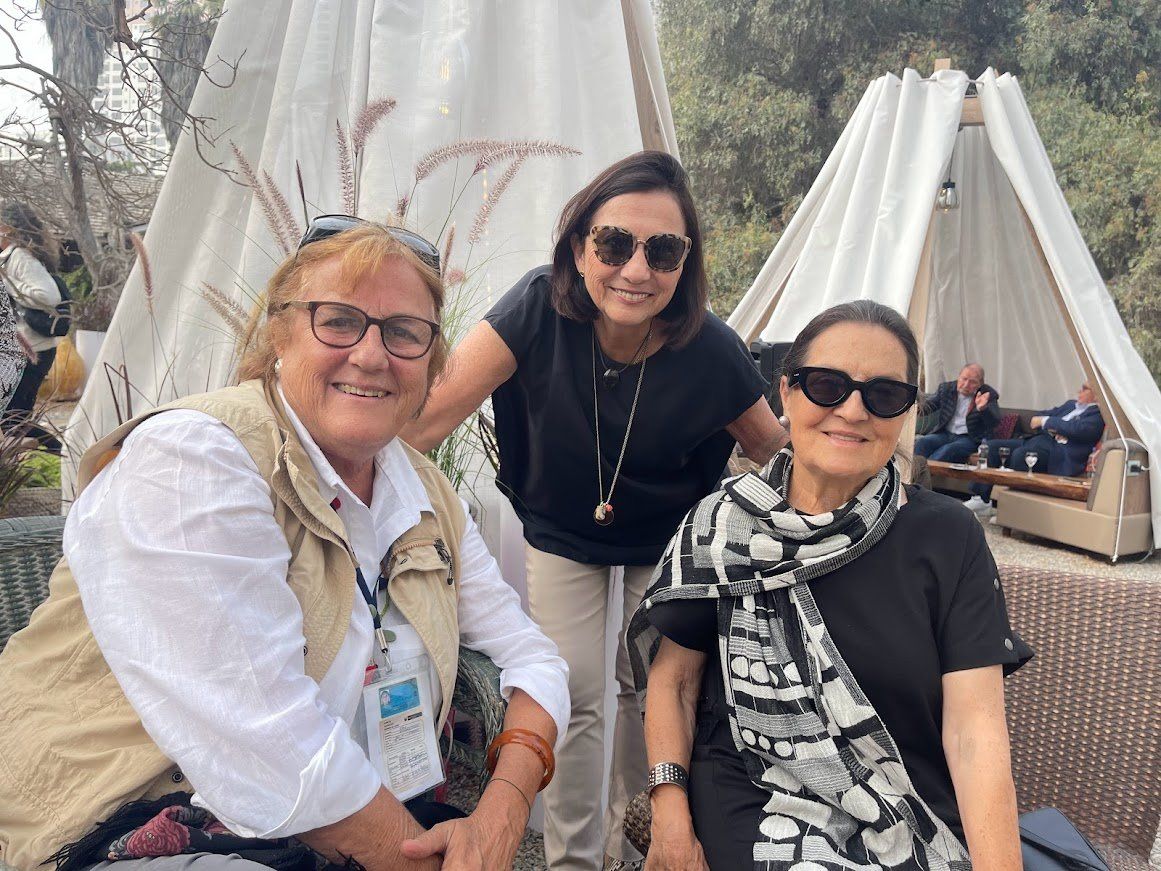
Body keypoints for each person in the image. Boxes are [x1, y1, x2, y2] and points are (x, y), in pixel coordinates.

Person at [0, 219, 570, 871]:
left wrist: (503, 806)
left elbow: (532, 655)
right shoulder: (193, 458)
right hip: (130, 822)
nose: (371, 354)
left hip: (348, 827)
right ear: (278, 333)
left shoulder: (425, 493)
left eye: (404, 331)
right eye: (338, 320)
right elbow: (267, 743)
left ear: (432, 360)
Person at [402, 151, 788, 870]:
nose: (636, 270)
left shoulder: (711, 347)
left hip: (670, 542)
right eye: (614, 244)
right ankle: (574, 859)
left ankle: (633, 835)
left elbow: (778, 455)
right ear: (579, 247)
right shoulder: (532, 309)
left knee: (655, 692)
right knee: (570, 692)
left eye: (663, 250)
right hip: (562, 531)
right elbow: (424, 423)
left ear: (685, 262)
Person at [628, 300, 1030, 871]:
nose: (853, 410)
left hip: (907, 813)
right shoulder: (724, 529)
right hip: (755, 800)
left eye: (884, 395)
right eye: (827, 385)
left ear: (908, 411)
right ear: (786, 393)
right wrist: (669, 818)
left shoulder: (947, 537)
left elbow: (975, 734)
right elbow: (674, 686)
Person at [964, 382, 1105, 513]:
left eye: (1085, 388)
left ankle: (1012, 510)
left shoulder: (1098, 414)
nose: (1079, 391)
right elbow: (1039, 416)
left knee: (1022, 455)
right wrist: (1054, 427)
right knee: (990, 447)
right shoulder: (1070, 405)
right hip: (1037, 441)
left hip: (1056, 453)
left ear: (1097, 394)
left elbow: (1078, 430)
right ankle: (981, 499)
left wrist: (1048, 422)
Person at [0, 201, 64, 450]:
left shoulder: (21, 258)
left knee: (12, 419)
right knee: (15, 418)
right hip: (21, 350)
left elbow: (50, 296)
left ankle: (57, 452)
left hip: (33, 351)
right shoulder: (9, 257)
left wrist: (12, 291)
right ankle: (55, 454)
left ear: (8, 228)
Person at [913, 363, 1000, 463]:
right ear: (959, 377)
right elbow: (930, 405)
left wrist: (983, 409)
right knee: (923, 442)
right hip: (945, 434)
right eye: (964, 379)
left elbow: (995, 422)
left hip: (969, 438)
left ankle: (924, 473)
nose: (966, 384)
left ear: (980, 384)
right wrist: (915, 408)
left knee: (948, 450)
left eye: (972, 382)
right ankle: (914, 472)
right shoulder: (947, 389)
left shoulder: (987, 395)